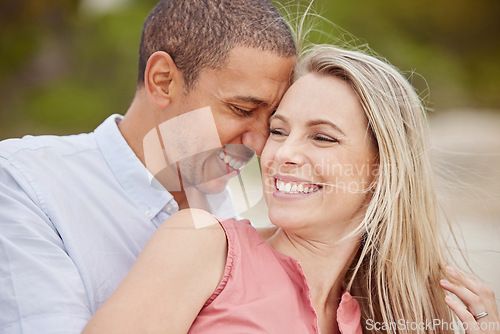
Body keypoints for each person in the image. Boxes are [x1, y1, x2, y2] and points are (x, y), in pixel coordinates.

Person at [83, 44, 499, 333]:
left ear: (382, 172)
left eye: (322, 138)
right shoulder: (201, 245)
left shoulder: (400, 315)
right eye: (279, 131)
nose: (282, 154)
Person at [0, 0, 296, 332]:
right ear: (162, 81)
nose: (259, 145)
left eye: (272, 122)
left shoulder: (240, 223)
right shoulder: (24, 183)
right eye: (242, 109)